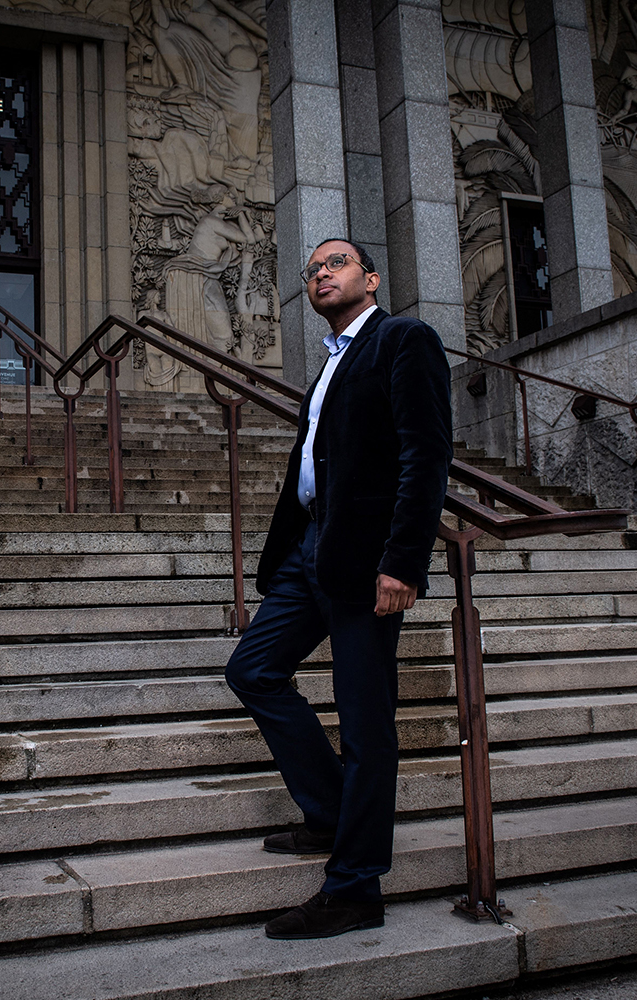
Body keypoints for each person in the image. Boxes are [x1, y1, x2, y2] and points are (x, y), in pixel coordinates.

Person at [226, 238, 452, 939]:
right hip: (308, 549)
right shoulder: (329, 364)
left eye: (336, 263)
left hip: (364, 557)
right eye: (313, 270)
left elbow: (426, 453)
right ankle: (328, 815)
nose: (322, 274)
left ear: (371, 278)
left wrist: (403, 562)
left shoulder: (403, 339)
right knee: (253, 670)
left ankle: (355, 887)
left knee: (365, 720)